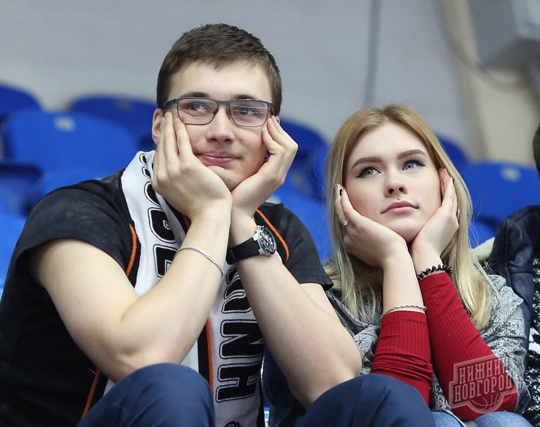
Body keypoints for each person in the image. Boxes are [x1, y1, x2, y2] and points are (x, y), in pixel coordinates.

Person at [0, 25, 438, 427]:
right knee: (172, 387)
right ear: (159, 125)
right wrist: (213, 215)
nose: (222, 131)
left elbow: (331, 381)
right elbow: (141, 359)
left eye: (246, 111)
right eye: (196, 107)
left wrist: (241, 224)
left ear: (272, 132)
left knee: (382, 398)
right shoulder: (79, 211)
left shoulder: (278, 227)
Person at [321, 104, 531, 426]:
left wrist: (427, 260)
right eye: (369, 171)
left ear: (444, 182)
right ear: (341, 197)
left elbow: (487, 403)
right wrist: (395, 259)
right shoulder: (319, 301)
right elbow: (393, 418)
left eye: (411, 164)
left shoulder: (495, 296)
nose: (394, 183)